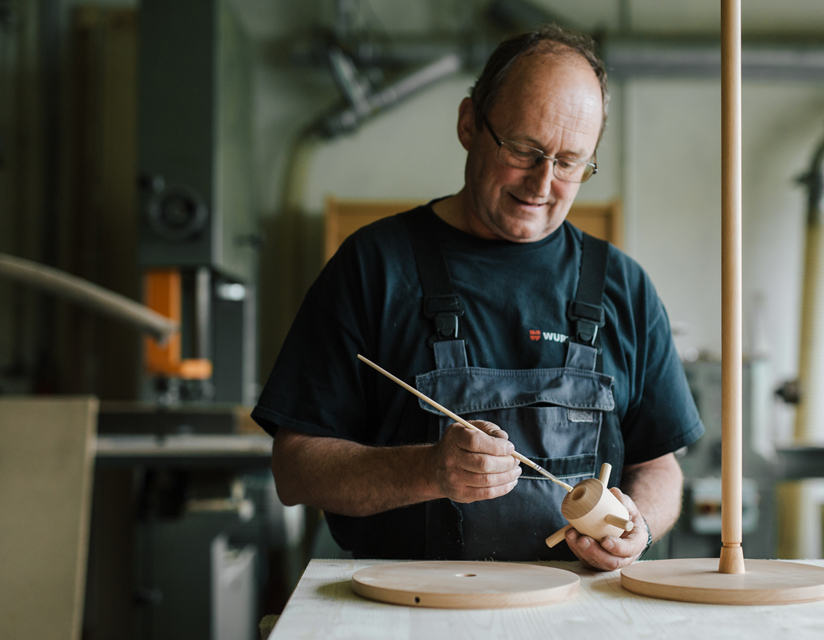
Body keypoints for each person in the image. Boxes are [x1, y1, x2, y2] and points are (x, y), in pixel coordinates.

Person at [252, 25, 704, 571]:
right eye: (524, 149)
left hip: (579, 614)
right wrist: (427, 471)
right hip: (411, 613)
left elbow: (661, 468)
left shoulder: (622, 287)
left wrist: (640, 525)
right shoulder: (374, 266)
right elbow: (295, 468)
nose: (542, 184)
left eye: (568, 163)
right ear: (469, 123)